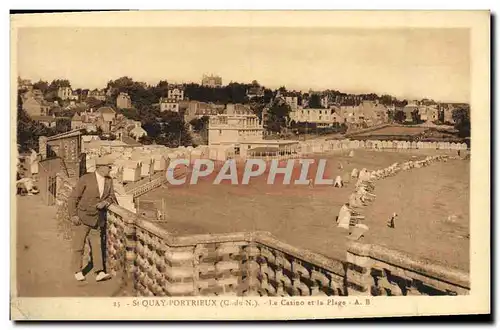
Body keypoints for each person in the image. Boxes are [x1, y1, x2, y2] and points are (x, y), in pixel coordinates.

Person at [67, 157, 117, 282]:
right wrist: (73, 215)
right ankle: (77, 270)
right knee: (79, 245)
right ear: (100, 167)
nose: (110, 169)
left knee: (97, 245)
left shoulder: (109, 181)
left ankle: (99, 272)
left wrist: (105, 202)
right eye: (108, 167)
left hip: (97, 219)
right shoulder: (85, 179)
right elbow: (73, 198)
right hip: (82, 218)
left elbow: (112, 197)